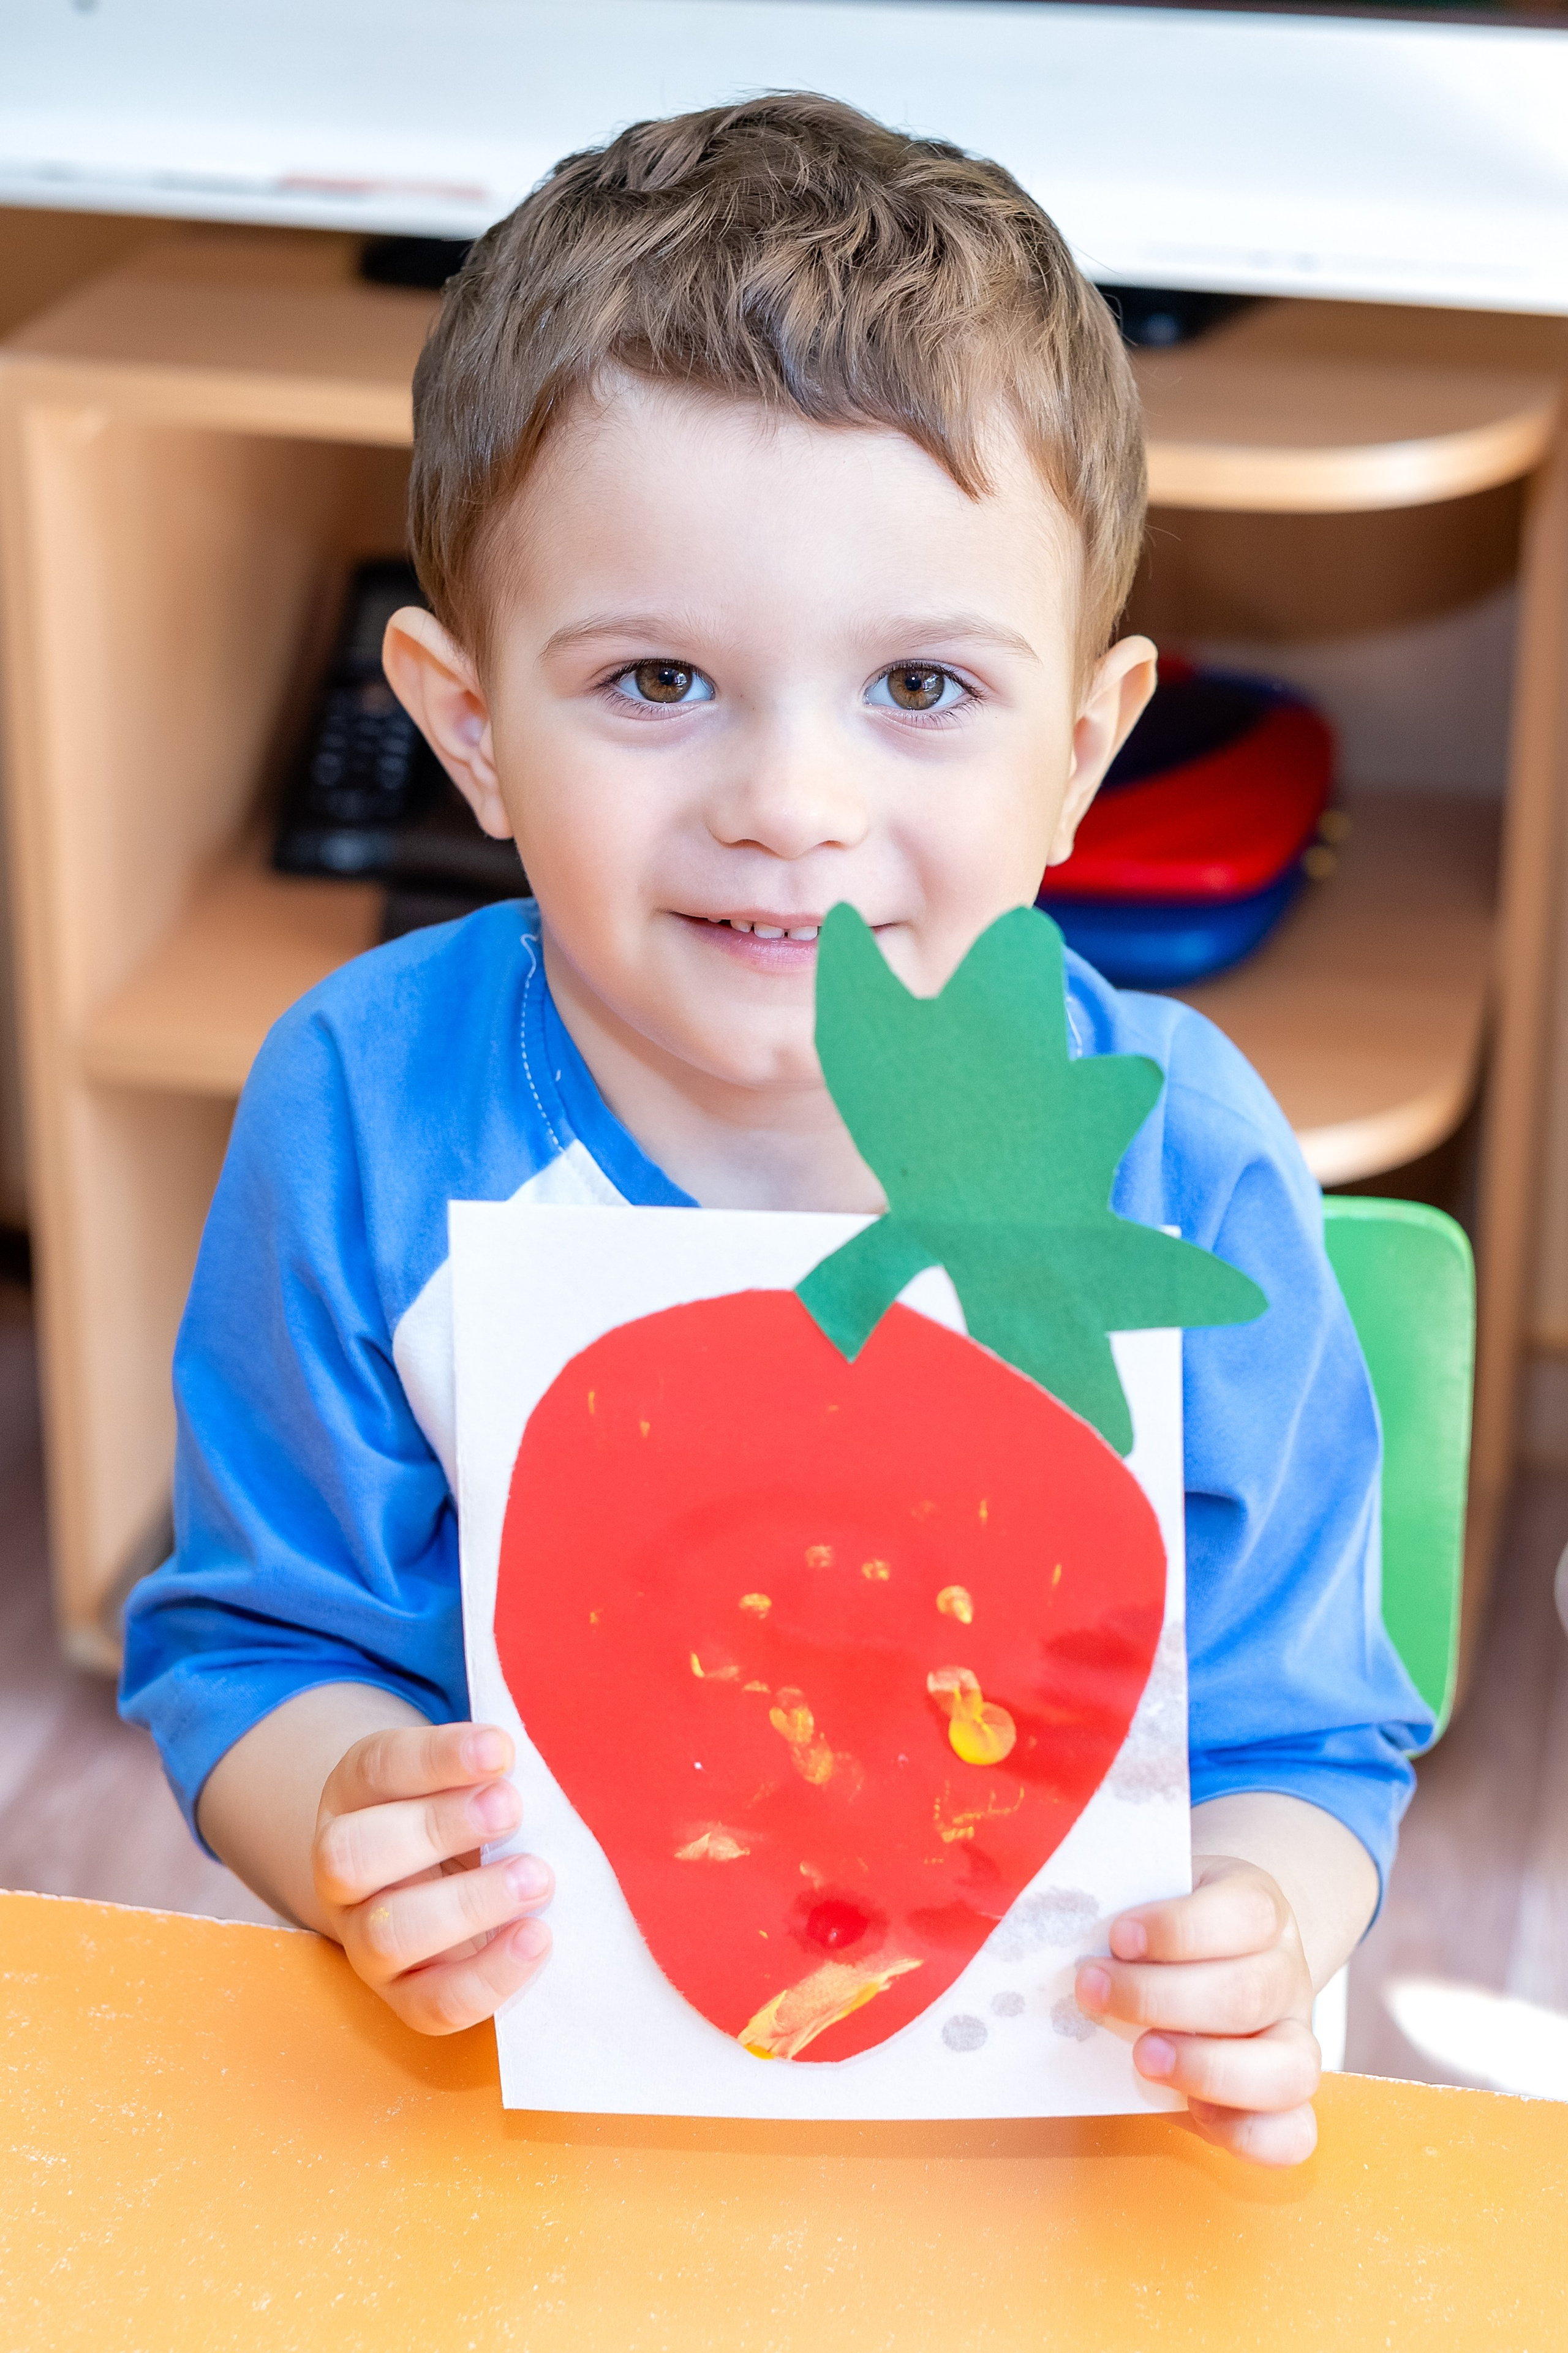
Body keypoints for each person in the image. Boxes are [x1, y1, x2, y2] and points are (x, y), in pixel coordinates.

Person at [120, 94, 1430, 2165]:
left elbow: (1299, 1733)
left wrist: (1265, 1923)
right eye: (657, 679)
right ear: (467, 727)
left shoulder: (1174, 1154)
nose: (789, 802)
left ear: (1086, 753)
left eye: (920, 687)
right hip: (525, 2114)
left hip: (1047, 2121)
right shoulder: (363, 1109)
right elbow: (254, 1638)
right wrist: (345, 1824)